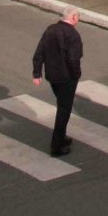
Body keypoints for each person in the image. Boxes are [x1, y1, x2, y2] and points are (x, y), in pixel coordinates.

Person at [31, 9, 83, 157]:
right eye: (78, 17)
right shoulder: (73, 35)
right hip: (67, 78)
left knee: (62, 104)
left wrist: (37, 73)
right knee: (64, 110)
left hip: (52, 76)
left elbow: (39, 52)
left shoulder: (50, 30)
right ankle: (56, 146)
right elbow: (74, 59)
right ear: (73, 18)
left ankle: (61, 137)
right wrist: (76, 75)